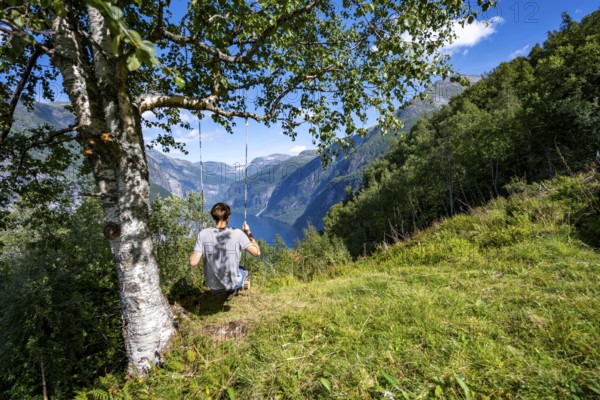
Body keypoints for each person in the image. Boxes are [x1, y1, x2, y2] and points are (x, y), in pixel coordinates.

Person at [189, 203, 261, 296]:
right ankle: (232, 290)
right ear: (228, 216)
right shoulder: (237, 233)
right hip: (232, 284)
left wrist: (199, 248)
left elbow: (193, 262)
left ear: (213, 216)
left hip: (211, 284)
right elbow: (257, 253)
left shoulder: (203, 234)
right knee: (242, 269)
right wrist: (248, 233)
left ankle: (222, 289)